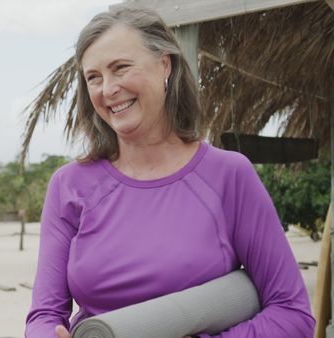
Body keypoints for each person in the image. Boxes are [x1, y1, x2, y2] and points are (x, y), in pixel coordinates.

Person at [25, 6, 315, 338]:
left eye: (121, 68)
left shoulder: (229, 175)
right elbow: (45, 314)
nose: (107, 89)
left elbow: (292, 313)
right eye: (94, 77)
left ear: (165, 64)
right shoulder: (69, 185)